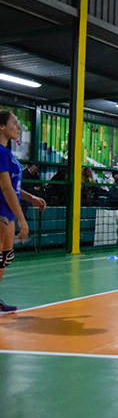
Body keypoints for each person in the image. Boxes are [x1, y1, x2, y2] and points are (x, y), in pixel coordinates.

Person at [0, 111, 47, 314]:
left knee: (5, 257)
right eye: (15, 123)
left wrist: (31, 198)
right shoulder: (0, 152)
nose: (18, 127)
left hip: (7, 211)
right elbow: (6, 188)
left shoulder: (7, 153)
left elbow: (14, 186)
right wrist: (22, 219)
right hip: (2, 209)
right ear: (2, 126)